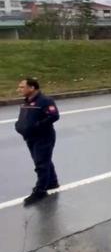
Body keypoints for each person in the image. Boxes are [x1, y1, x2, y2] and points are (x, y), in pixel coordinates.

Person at [14, 78, 60, 206]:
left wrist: (37, 126)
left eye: (22, 87)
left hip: (43, 137)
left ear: (32, 88)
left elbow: (54, 116)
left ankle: (40, 191)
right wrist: (18, 126)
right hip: (30, 137)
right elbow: (23, 118)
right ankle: (52, 182)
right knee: (43, 160)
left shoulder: (45, 101)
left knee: (41, 164)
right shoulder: (26, 102)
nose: (19, 89)